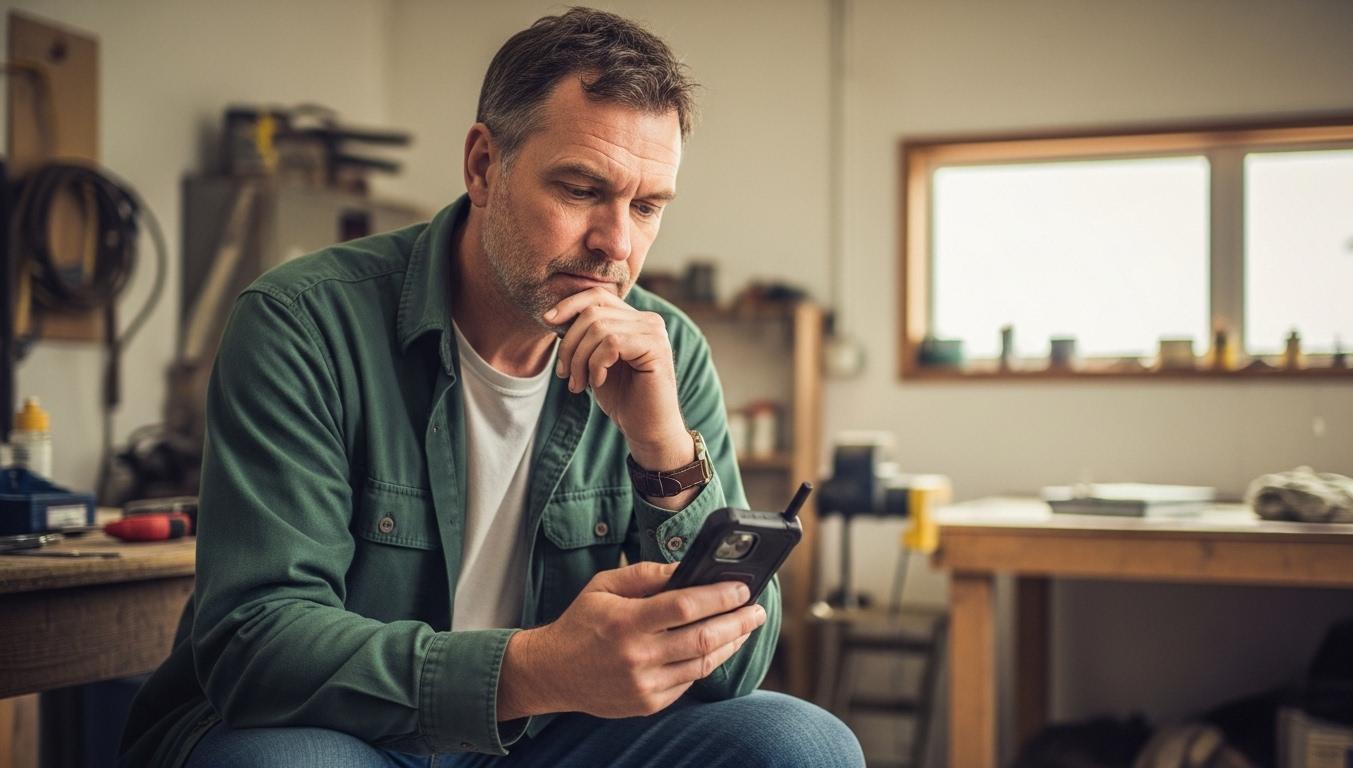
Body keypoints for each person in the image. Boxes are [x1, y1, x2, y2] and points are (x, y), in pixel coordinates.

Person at [119, 7, 863, 768]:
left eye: (646, 207)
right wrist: (533, 669)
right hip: (347, 733)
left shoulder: (667, 352)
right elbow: (257, 643)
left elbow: (736, 667)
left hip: (545, 739)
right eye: (580, 189)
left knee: (804, 745)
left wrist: (663, 449)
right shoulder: (302, 323)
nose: (618, 244)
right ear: (482, 167)